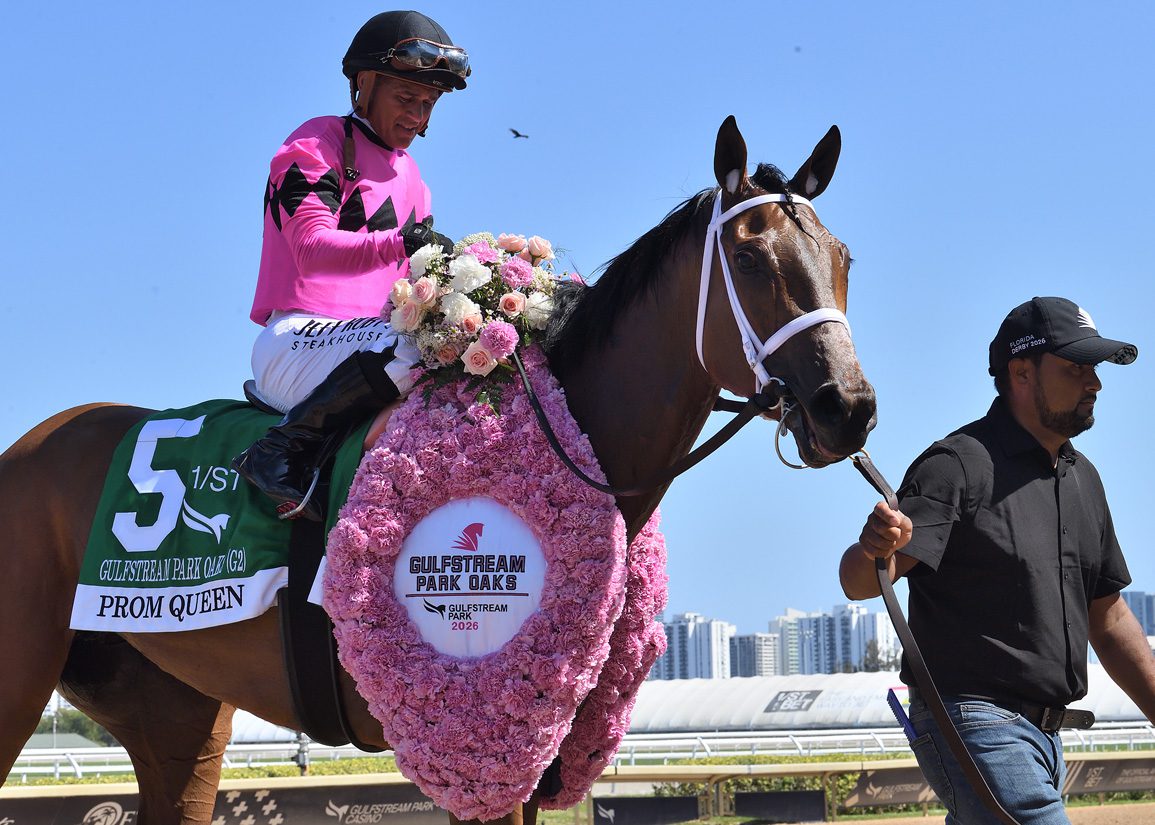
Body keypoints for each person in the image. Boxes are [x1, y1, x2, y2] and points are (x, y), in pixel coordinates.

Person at [839, 296, 1155, 824]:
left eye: (1095, 369)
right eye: (1076, 368)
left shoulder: (1085, 480)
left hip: (1047, 740)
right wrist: (876, 546)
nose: (1094, 384)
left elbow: (1109, 616)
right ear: (1020, 372)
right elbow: (859, 581)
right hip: (974, 724)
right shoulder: (957, 465)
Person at [232, 10, 467, 521]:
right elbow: (312, 250)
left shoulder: (416, 182)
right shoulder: (316, 142)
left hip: (369, 345)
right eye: (406, 99)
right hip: (295, 342)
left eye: (429, 104)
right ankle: (280, 449)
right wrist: (403, 243)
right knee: (414, 344)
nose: (418, 116)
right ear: (364, 85)